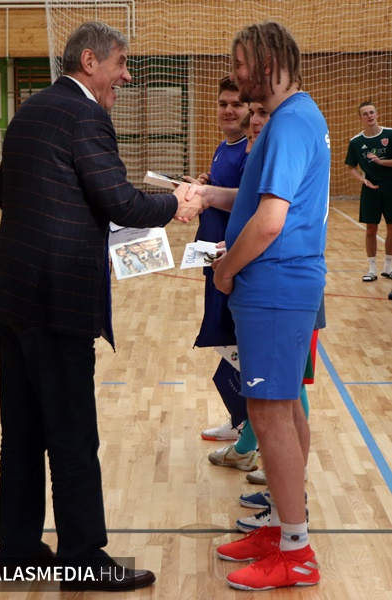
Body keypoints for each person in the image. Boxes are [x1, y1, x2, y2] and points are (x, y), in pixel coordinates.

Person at [0, 21, 205, 593]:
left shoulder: (31, 109)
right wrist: (176, 202)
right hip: (57, 297)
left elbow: (6, 194)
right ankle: (83, 558)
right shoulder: (86, 114)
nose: (126, 76)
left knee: (22, 431)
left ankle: (19, 552)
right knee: (72, 434)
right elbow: (118, 200)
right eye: (121, 63)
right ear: (89, 61)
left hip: (11, 291)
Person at [189, 20, 330, 590]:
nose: (236, 74)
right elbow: (256, 203)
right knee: (284, 409)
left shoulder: (289, 123)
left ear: (267, 64)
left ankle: (295, 551)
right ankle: (278, 527)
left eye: (240, 63)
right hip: (280, 285)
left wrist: (225, 270)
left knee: (270, 414)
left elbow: (270, 222)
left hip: (274, 285)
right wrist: (207, 194)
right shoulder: (296, 118)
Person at [188, 76, 249, 443]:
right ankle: (239, 419)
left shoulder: (249, 151)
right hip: (213, 258)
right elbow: (222, 189)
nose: (229, 110)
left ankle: (248, 425)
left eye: (237, 104)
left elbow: (248, 200)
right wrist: (206, 182)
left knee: (233, 341)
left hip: (232, 262)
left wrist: (208, 193)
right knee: (223, 339)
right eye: (223, 103)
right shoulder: (223, 147)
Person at [345, 102, 392, 281]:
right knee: (371, 229)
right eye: (365, 114)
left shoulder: (390, 134)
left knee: (391, 228)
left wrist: (381, 162)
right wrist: (363, 180)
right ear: (360, 118)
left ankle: (388, 266)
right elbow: (350, 167)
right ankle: (371, 269)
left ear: (377, 114)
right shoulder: (356, 142)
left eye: (372, 112)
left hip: (390, 186)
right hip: (371, 189)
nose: (369, 116)